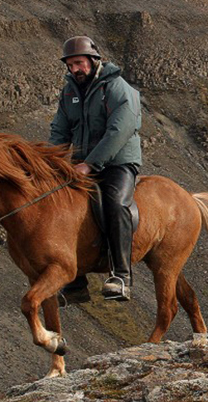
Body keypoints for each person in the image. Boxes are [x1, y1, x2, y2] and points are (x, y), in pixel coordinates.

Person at [50, 36, 142, 301]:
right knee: (61, 206)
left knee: (115, 202)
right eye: (70, 65)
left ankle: (121, 276)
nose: (74, 69)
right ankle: (76, 283)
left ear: (93, 60)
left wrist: (90, 164)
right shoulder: (69, 91)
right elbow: (60, 129)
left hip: (118, 161)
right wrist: (51, 162)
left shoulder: (116, 87)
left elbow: (120, 130)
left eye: (78, 63)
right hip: (81, 163)